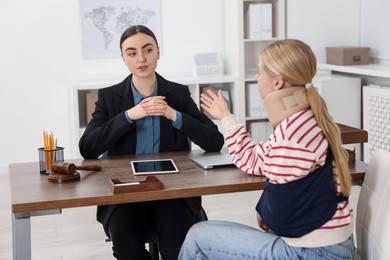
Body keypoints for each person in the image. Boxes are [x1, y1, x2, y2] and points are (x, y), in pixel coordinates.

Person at [178, 39, 355, 259]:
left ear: (278, 83)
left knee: (198, 237)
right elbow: (254, 159)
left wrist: (264, 209)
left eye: (260, 72)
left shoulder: (293, 134)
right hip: (327, 242)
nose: (257, 78)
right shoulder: (304, 120)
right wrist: (226, 117)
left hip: (315, 252)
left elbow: (276, 214)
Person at [79, 25, 224, 260]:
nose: (141, 59)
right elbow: (88, 147)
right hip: (125, 193)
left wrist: (173, 114)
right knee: (126, 249)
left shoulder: (178, 94)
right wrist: (129, 115)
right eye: (132, 53)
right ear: (123, 58)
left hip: (172, 192)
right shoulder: (108, 97)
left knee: (175, 249)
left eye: (148, 50)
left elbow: (214, 141)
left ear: (158, 52)